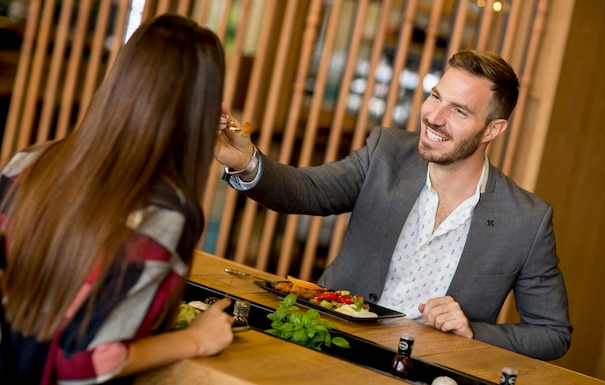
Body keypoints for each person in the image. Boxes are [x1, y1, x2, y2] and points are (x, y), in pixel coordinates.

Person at [215, 49, 572, 361]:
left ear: (493, 130)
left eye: (459, 111)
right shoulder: (384, 153)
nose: (434, 116)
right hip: (326, 349)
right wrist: (246, 162)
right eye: (435, 96)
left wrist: (473, 332)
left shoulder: (526, 220)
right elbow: (307, 190)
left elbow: (552, 333)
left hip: (424, 373)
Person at [0, 14, 233, 384]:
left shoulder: (29, 162)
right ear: (200, 109)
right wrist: (197, 339)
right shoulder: (164, 215)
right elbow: (84, 362)